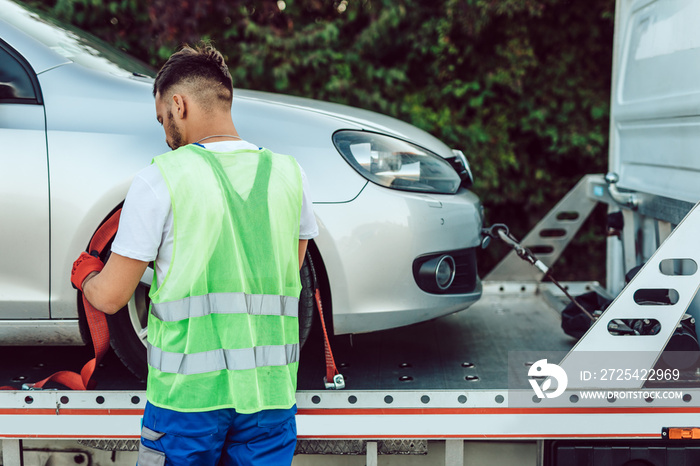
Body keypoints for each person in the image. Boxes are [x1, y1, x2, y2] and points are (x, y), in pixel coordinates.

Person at [70, 43, 319, 465]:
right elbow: (284, 274)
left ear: (178, 104)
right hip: (270, 399)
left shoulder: (161, 180)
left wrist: (87, 277)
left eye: (162, 118)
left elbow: (112, 297)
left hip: (187, 402)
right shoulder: (291, 176)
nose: (165, 131)